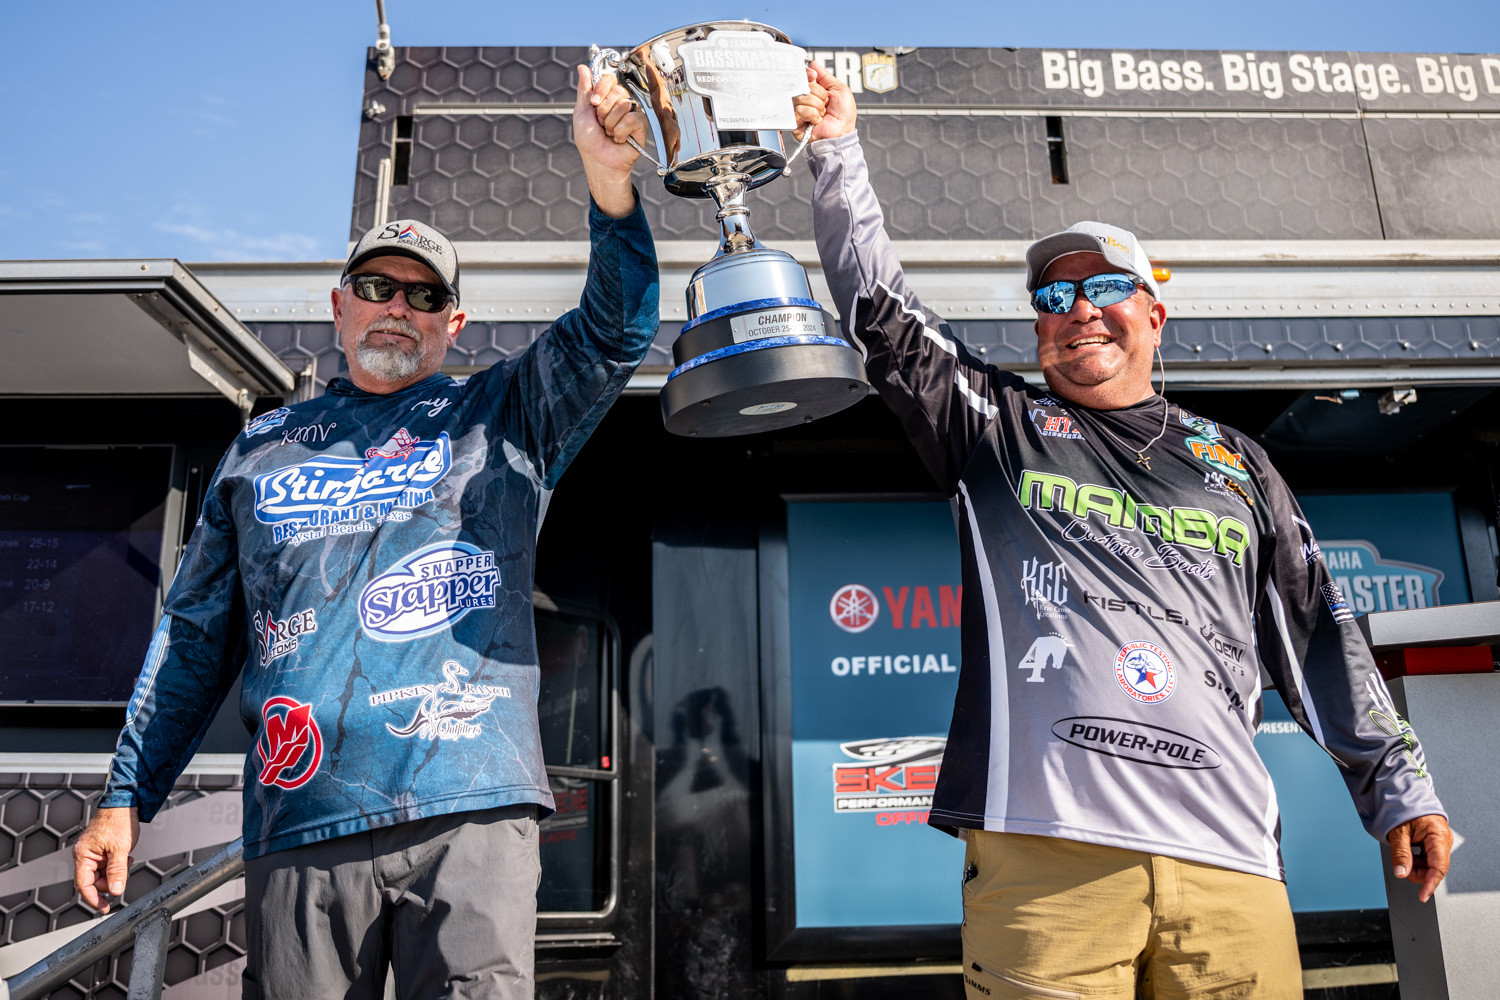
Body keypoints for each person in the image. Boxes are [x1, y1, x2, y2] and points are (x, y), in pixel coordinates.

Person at [794, 66, 1453, 999]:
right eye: (1052, 298)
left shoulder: (1238, 462)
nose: (1077, 310)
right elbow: (882, 314)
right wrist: (836, 151)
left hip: (1228, 861)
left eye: (1105, 286)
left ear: (1154, 311)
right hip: (1047, 856)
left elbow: (1318, 635)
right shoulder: (995, 426)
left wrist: (1399, 787)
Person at [71, 65, 657, 1000]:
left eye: (423, 297)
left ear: (453, 323)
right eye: (378, 285)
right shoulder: (259, 449)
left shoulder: (503, 412)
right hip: (304, 812)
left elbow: (615, 333)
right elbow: (192, 639)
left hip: (469, 805)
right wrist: (125, 797)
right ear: (338, 305)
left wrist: (609, 184)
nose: (398, 306)